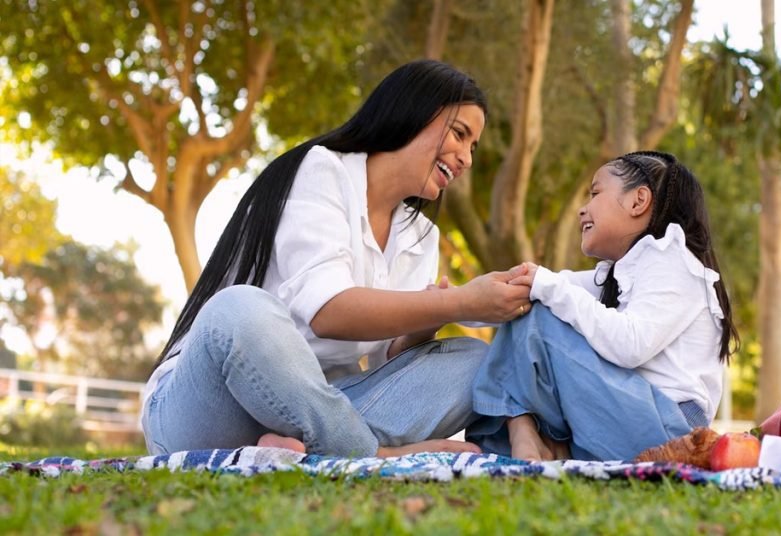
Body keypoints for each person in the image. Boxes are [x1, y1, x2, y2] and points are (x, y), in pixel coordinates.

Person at [141, 60, 533, 458]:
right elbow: (328, 311)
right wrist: (460, 301)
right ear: (413, 111)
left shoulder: (421, 236)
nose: (466, 158)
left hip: (321, 408)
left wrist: (428, 323)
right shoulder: (320, 169)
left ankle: (302, 449)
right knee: (238, 309)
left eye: (473, 147)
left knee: (475, 362)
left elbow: (388, 364)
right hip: (210, 406)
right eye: (460, 134)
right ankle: (373, 455)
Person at [467, 151, 739, 461]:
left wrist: (546, 286)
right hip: (629, 418)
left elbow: (630, 345)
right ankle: (535, 437)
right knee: (538, 301)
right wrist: (461, 303)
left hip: (667, 431)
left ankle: (526, 432)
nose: (583, 209)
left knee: (543, 310)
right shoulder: (622, 272)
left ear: (638, 201)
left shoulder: (672, 259)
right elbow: (540, 287)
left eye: (596, 193)